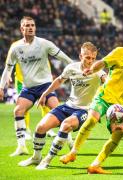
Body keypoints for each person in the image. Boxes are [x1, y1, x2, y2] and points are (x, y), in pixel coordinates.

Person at [60, 26, 123, 174]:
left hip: (120, 105)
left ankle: (95, 164)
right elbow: (103, 63)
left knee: (120, 133)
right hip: (104, 96)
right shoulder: (120, 52)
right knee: (91, 120)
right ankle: (73, 153)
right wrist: (92, 70)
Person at [18, 42, 106, 170]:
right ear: (81, 56)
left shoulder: (98, 71)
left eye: (93, 58)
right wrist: (44, 94)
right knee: (40, 127)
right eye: (88, 58)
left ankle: (47, 160)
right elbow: (59, 80)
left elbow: (106, 79)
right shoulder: (72, 68)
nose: (91, 61)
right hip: (68, 106)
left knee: (66, 125)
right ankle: (36, 158)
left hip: (86, 110)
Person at [0, 16, 73, 157]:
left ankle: (70, 141)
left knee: (58, 111)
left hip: (45, 86)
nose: (30, 27)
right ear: (22, 29)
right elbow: (7, 69)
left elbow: (63, 57)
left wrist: (76, 68)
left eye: (32, 25)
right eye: (27, 25)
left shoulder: (44, 43)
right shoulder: (16, 48)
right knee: (18, 110)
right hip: (28, 88)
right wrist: (1, 87)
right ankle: (21, 147)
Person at [15, 63, 57, 139]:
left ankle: (48, 128)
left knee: (46, 105)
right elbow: (10, 62)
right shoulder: (14, 50)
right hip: (22, 82)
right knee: (23, 107)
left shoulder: (41, 51)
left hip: (41, 81)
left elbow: (46, 65)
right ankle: (25, 130)